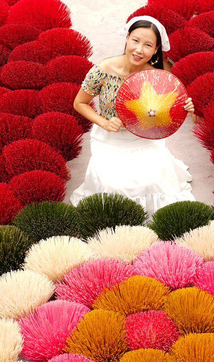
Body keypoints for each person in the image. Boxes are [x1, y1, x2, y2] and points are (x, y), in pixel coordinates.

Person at [69, 15, 196, 215]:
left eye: (147, 45)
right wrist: (103, 122)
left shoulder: (157, 77)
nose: (139, 50)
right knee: (115, 188)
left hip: (143, 139)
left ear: (155, 50)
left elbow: (170, 113)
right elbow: (79, 103)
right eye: (135, 41)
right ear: (127, 38)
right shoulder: (103, 70)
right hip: (110, 139)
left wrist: (186, 108)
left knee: (154, 181)